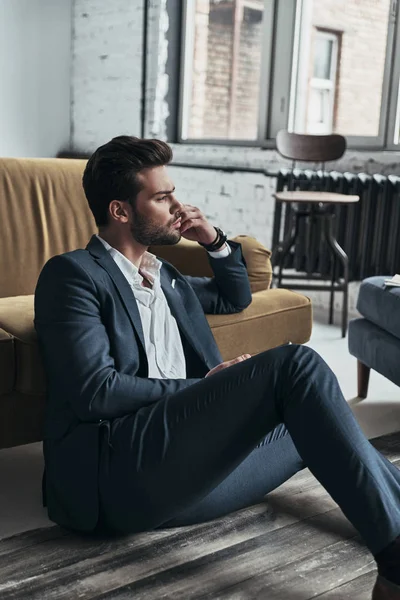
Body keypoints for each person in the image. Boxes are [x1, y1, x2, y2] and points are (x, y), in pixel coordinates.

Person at [34, 136, 400, 599]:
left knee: (318, 418)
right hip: (118, 476)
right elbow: (94, 391)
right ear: (121, 211)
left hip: (186, 480)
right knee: (295, 366)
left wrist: (214, 239)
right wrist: (201, 387)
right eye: (162, 197)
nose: (177, 206)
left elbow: (236, 296)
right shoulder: (74, 275)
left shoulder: (165, 276)